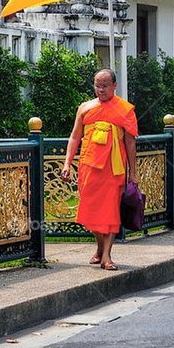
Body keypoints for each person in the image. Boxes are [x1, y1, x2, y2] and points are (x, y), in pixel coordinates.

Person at [61, 69, 138, 270]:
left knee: (111, 210)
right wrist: (67, 163)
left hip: (114, 168)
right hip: (89, 166)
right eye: (97, 85)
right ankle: (100, 246)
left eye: (105, 86)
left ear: (114, 86)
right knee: (89, 210)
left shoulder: (125, 109)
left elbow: (130, 142)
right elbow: (75, 137)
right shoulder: (85, 108)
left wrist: (133, 172)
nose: (101, 89)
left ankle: (107, 256)